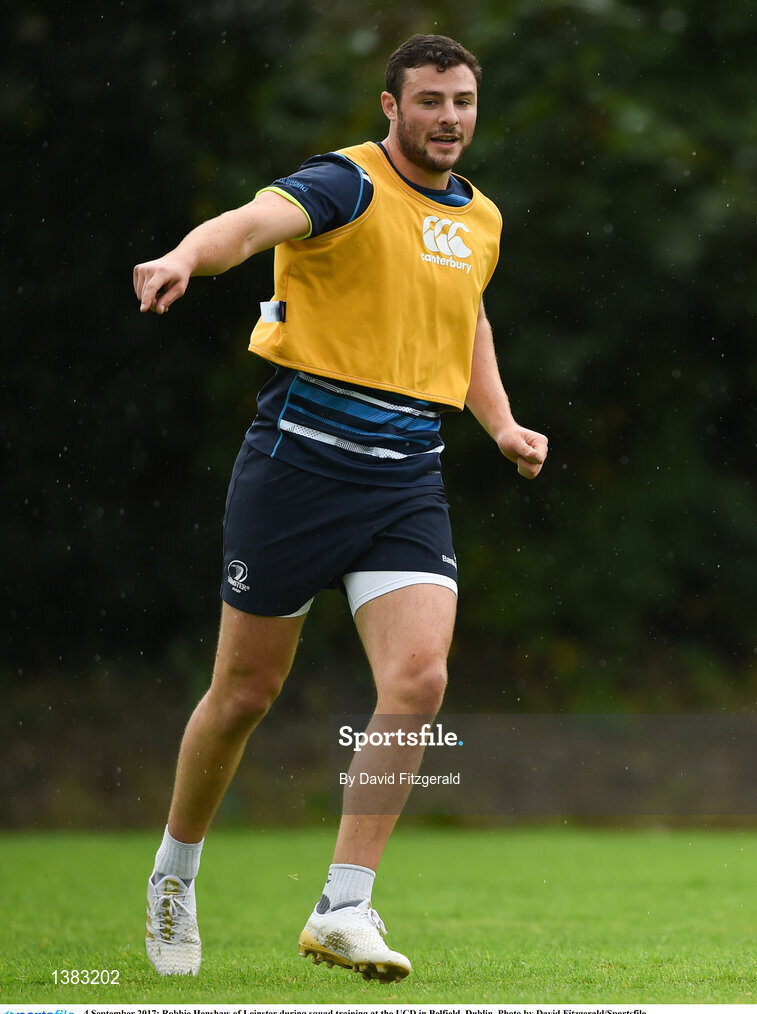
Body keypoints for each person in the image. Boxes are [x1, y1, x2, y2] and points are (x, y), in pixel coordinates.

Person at [133, 33, 548, 983]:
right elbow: (248, 222)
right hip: (296, 472)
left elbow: (467, 319)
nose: (450, 117)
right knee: (244, 695)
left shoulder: (480, 217)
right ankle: (173, 872)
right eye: (431, 101)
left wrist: (503, 424)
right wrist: (186, 256)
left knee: (421, 678)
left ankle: (344, 906)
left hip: (405, 477)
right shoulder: (345, 184)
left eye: (463, 101)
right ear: (389, 107)